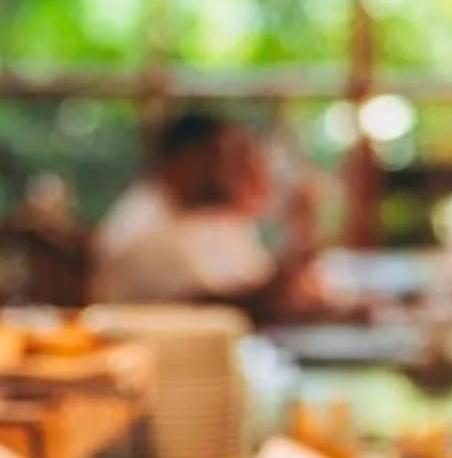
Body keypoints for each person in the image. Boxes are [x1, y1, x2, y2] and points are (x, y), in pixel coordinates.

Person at [91, 109, 316, 317]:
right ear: (188, 159)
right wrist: (301, 237)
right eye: (226, 159)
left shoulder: (206, 219)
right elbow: (224, 308)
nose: (231, 174)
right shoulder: (143, 226)